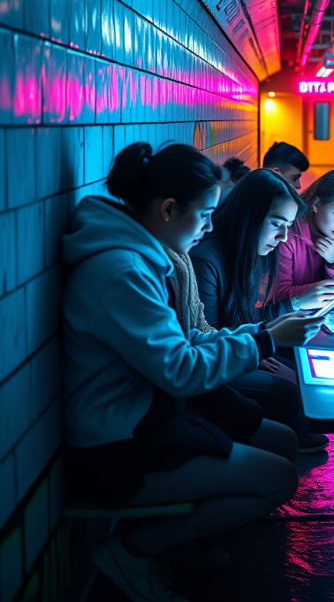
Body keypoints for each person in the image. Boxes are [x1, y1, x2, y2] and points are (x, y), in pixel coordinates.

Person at [61, 142, 316, 602]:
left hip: (148, 423)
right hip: (118, 450)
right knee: (279, 477)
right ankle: (135, 550)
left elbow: (186, 341)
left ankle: (182, 538)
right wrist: (266, 340)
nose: (211, 226)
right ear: (168, 208)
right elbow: (180, 371)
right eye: (205, 215)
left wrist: (267, 332)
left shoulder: (144, 256)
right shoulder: (124, 272)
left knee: (280, 445)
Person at [190, 169, 332, 451]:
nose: (282, 236)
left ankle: (290, 425)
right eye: (276, 223)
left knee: (301, 364)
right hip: (214, 360)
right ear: (250, 215)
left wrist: (265, 341)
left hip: (239, 344)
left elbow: (246, 320)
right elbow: (209, 335)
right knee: (290, 390)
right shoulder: (206, 259)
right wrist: (254, 352)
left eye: (289, 226)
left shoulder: (256, 251)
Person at [273, 169, 334, 306]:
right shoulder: (286, 236)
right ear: (316, 204)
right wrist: (326, 290)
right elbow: (278, 296)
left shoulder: (332, 234)